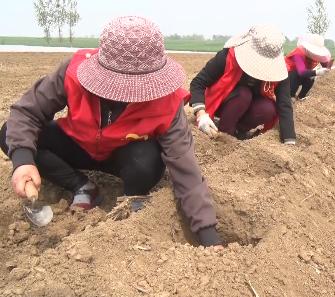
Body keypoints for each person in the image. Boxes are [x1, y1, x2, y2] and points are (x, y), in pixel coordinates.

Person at [0, 16, 220, 247]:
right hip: (78, 143)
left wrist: (208, 236)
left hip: (126, 156)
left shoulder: (167, 102)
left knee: (146, 161)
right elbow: (27, 113)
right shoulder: (73, 73)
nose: (125, 95)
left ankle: (132, 201)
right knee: (9, 134)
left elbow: (186, 169)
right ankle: (81, 186)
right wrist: (23, 160)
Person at [189, 25, 296, 144]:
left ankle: (239, 131)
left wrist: (289, 139)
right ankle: (225, 133)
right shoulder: (298, 56)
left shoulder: (306, 61)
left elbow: (285, 103)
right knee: (244, 94)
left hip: (253, 103)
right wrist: (201, 114)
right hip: (227, 100)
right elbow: (198, 82)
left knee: (268, 108)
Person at [285, 34, 332, 100]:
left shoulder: (317, 54)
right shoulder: (298, 53)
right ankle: (290, 95)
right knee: (295, 74)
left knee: (310, 77)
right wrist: (317, 72)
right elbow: (302, 72)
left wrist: (328, 66)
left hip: (300, 76)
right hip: (287, 77)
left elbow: (325, 64)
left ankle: (301, 97)